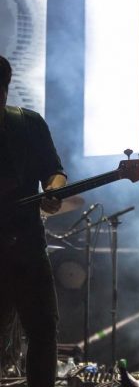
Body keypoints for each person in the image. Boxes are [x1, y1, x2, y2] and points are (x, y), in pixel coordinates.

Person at [0, 55, 67, 387]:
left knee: (43, 331)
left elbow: (54, 172)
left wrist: (53, 192)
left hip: (27, 247)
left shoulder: (28, 124)